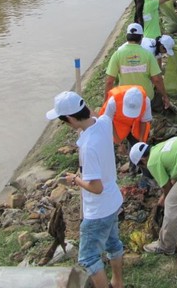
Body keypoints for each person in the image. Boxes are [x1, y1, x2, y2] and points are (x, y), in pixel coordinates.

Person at [45, 91, 124, 288]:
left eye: (64, 121)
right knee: (113, 244)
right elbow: (111, 105)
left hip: (98, 210)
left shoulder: (88, 147)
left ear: (71, 119)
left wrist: (76, 180)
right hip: (114, 201)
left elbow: (96, 188)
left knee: (88, 257)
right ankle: (118, 283)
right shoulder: (103, 123)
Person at [105, 23, 171, 110]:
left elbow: (109, 81)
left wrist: (106, 102)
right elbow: (157, 79)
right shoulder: (148, 55)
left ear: (127, 36)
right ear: (141, 38)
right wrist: (165, 96)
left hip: (125, 97)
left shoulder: (117, 54)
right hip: (145, 98)